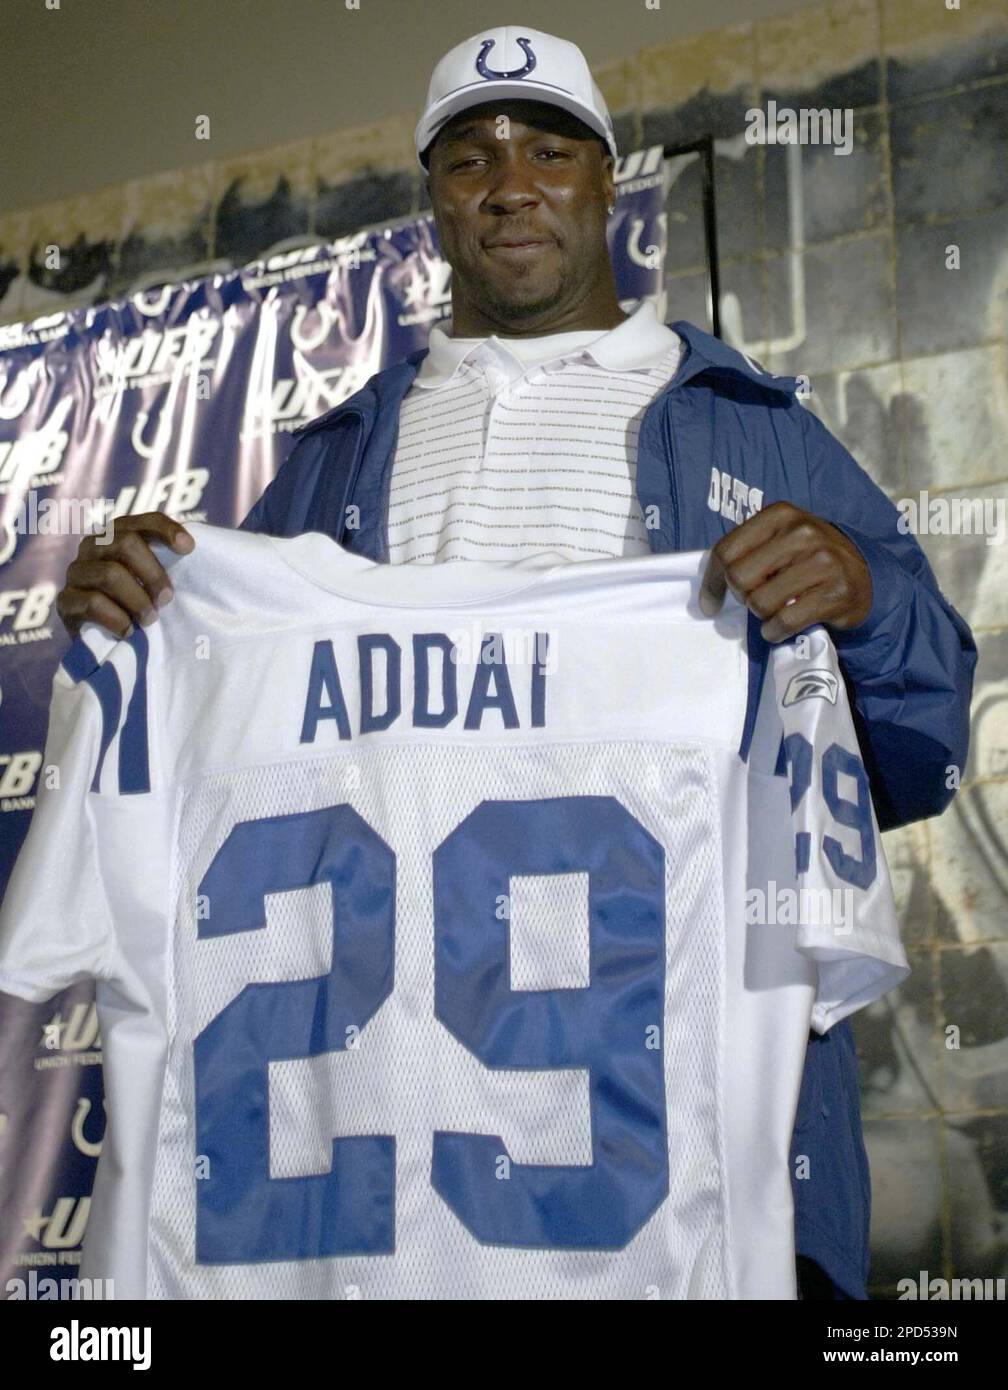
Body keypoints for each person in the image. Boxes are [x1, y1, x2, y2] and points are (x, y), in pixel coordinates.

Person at [54, 26, 976, 1299]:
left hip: (679, 1130)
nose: (510, 183)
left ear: (607, 180)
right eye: (470, 158)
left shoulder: (760, 429)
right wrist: (133, 627)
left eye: (550, 149)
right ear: (432, 198)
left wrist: (867, 606)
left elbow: (924, 749)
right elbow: (235, 778)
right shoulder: (331, 458)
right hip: (392, 1154)